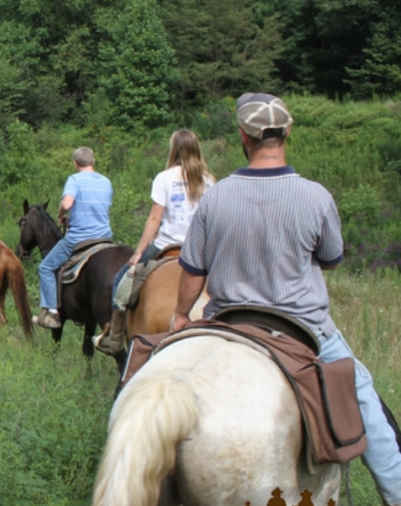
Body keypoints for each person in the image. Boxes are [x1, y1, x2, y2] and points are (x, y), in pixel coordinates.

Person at [171, 93, 401, 506]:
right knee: (365, 400)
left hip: (227, 322)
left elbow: (192, 273)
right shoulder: (315, 196)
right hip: (304, 328)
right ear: (287, 132)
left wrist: (179, 315)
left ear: (243, 136)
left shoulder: (216, 197)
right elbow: (330, 260)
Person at [96, 129, 215, 355]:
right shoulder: (209, 180)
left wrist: (138, 252)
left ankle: (114, 335)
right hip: (201, 250)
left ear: (174, 150)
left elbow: (154, 219)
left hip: (167, 245)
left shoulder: (164, 178)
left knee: (122, 279)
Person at [35, 147, 113, 329]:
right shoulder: (106, 181)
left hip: (79, 239)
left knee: (45, 267)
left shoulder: (74, 180)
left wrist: (60, 214)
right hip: (104, 238)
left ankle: (52, 313)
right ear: (93, 161)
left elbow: (68, 203)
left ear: (75, 163)